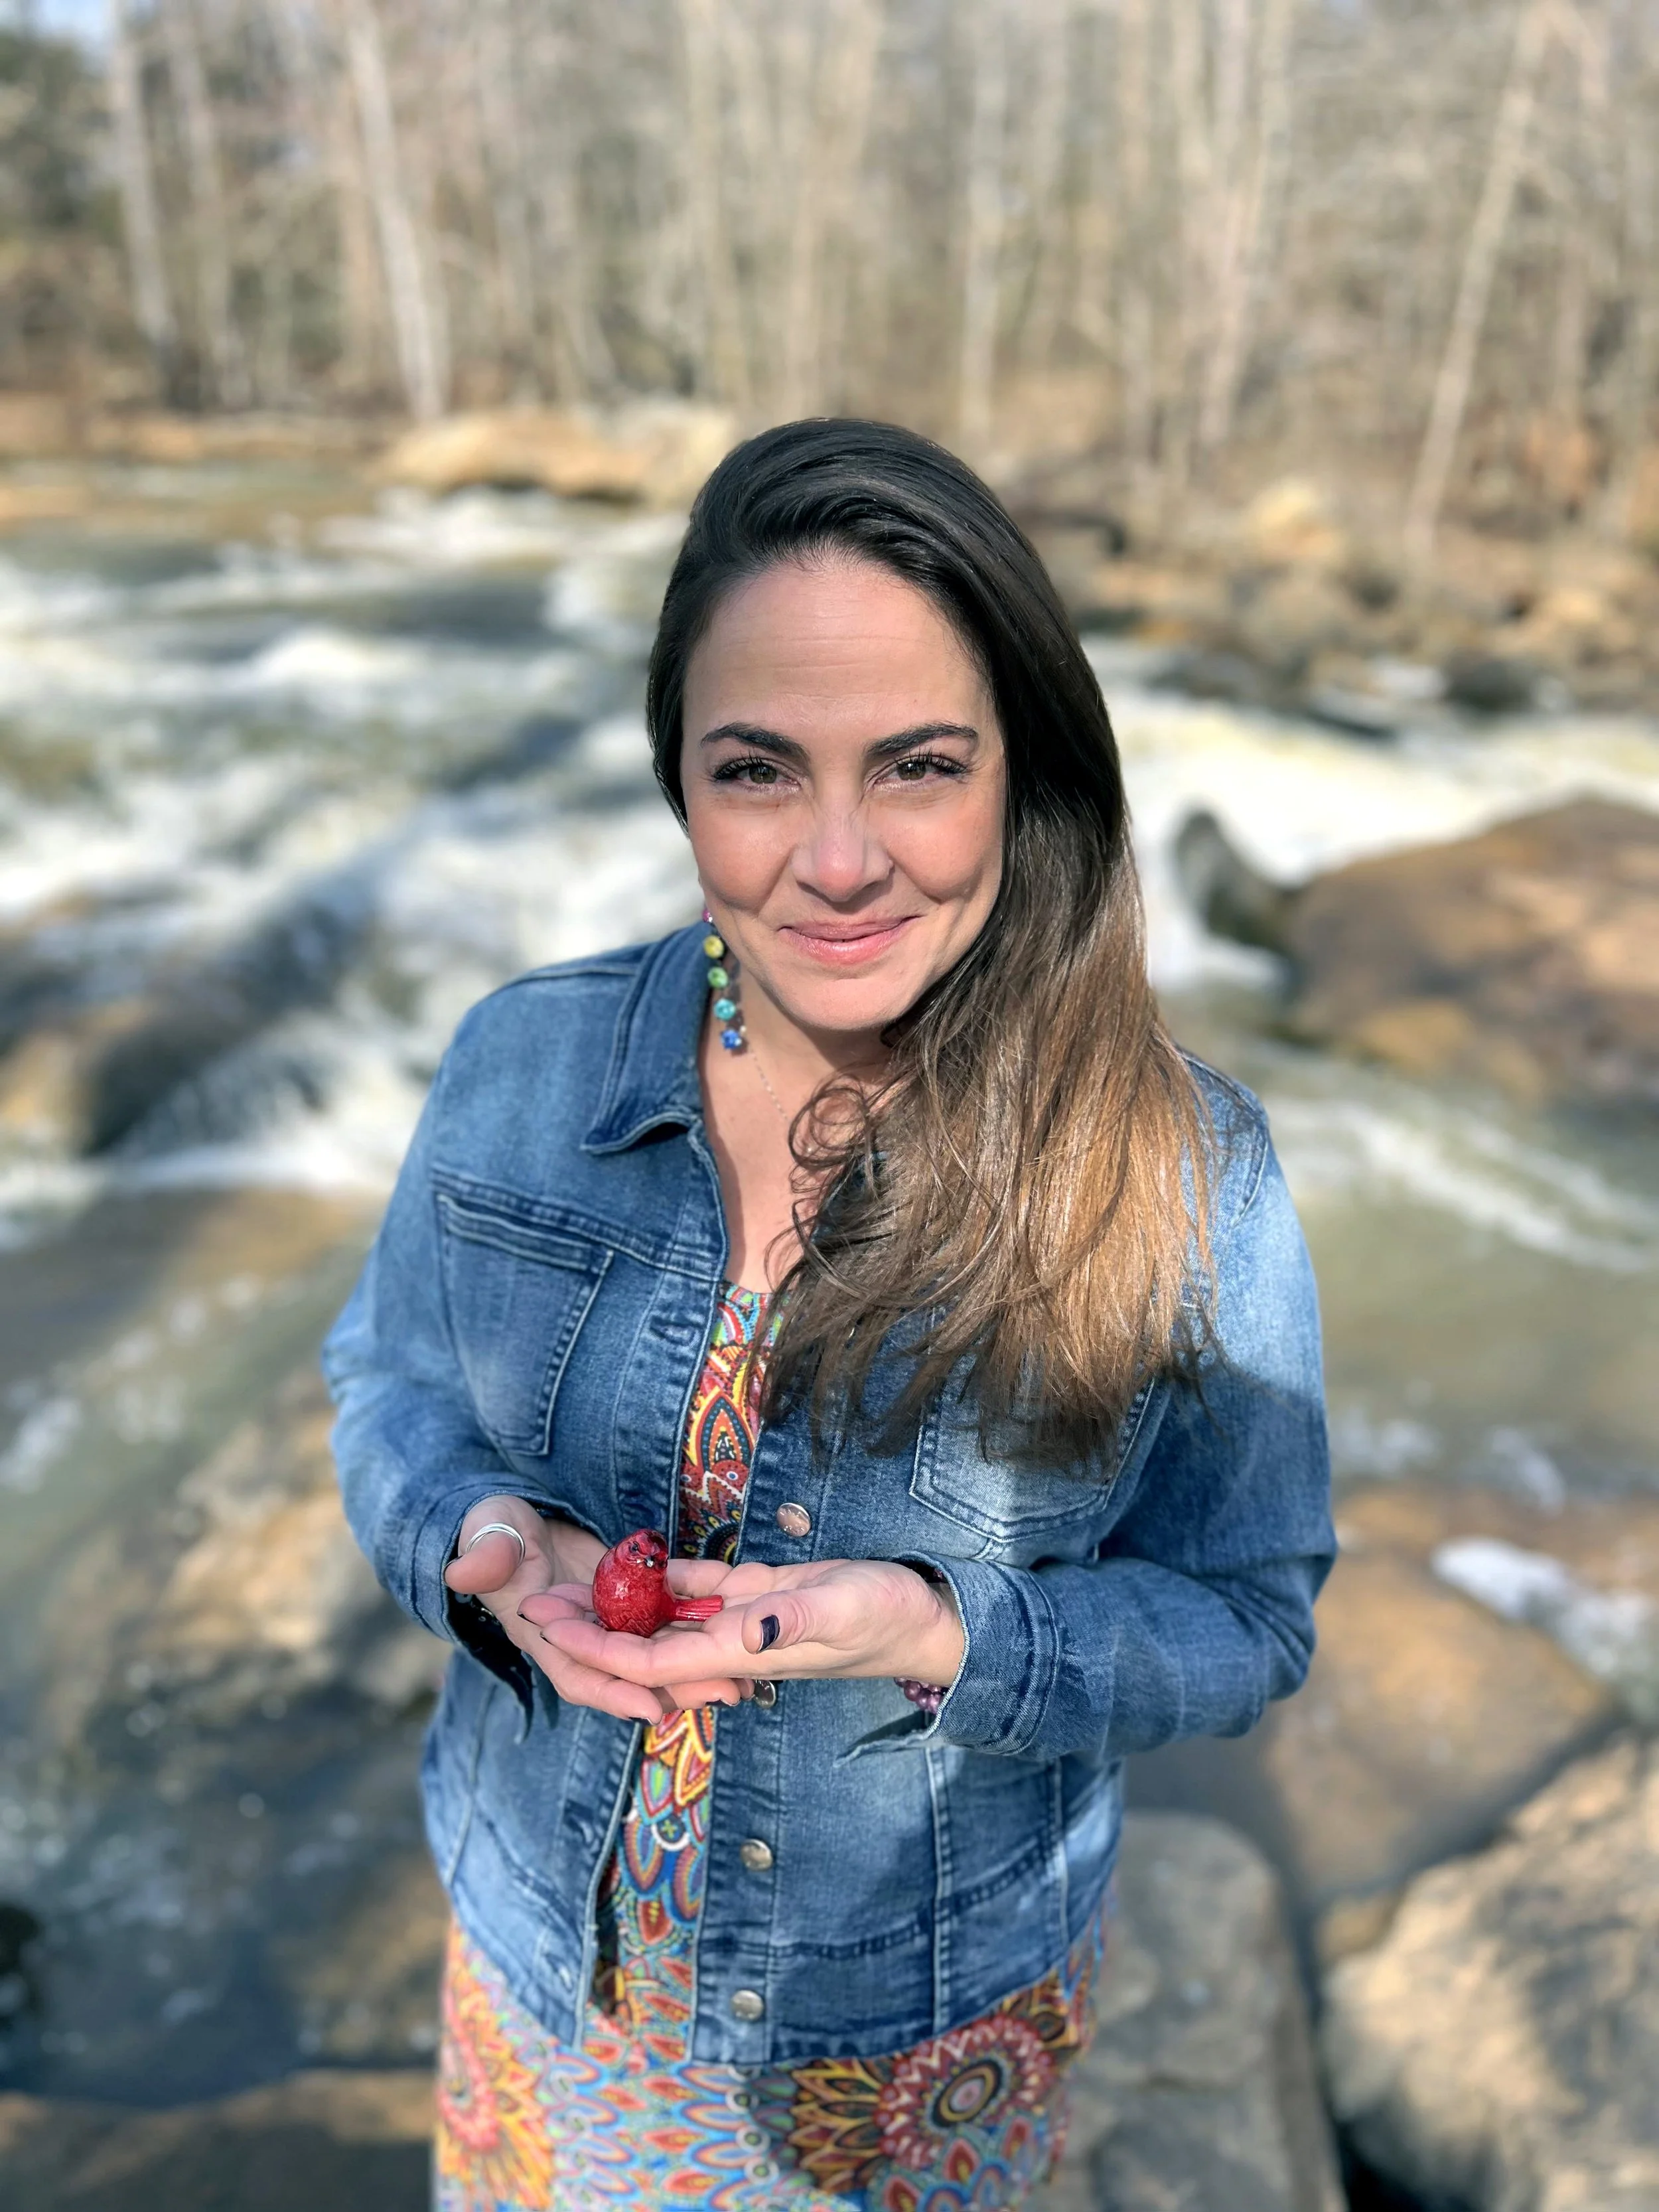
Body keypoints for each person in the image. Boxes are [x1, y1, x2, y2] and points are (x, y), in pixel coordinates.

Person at [324, 418, 1333, 2212]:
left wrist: (933, 1630)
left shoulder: (1184, 1170)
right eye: (759, 770)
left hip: (918, 2030)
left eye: (919, 765)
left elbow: (1247, 1612)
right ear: (678, 782)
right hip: (542, 1961)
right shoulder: (517, 1061)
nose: (841, 858)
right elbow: (387, 1379)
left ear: (1022, 769)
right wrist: (479, 1531)